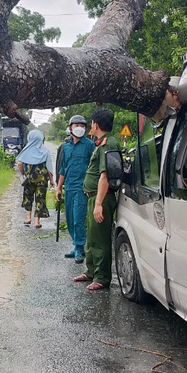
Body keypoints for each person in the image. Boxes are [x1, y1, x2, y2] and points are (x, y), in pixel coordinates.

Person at [73, 108, 120, 291]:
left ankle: (102, 277)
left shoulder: (108, 145)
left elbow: (105, 176)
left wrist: (99, 204)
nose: (90, 126)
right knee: (92, 237)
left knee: (100, 239)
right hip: (93, 197)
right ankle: (91, 271)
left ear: (96, 124)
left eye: (91, 123)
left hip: (101, 198)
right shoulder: (101, 144)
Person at [55, 115, 95, 264]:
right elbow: (63, 168)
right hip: (69, 187)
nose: (80, 128)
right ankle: (76, 246)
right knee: (70, 219)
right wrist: (58, 188)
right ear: (70, 127)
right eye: (76, 125)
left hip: (82, 188)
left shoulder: (90, 145)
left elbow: (94, 167)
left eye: (83, 126)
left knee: (78, 218)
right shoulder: (66, 146)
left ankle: (79, 247)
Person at [16, 130, 55, 228]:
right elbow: (49, 167)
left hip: (29, 179)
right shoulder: (45, 151)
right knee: (40, 199)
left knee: (28, 197)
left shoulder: (26, 150)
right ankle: (37, 221)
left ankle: (28, 217)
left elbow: (19, 164)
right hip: (42, 180)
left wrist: (23, 174)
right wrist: (52, 180)